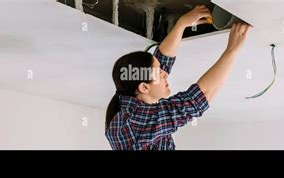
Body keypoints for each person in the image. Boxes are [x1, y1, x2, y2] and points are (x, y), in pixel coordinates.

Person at [105, 5, 250, 150]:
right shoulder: (135, 122)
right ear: (143, 87)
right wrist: (232, 50)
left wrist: (182, 24)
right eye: (159, 72)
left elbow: (162, 62)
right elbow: (196, 100)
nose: (164, 73)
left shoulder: (133, 107)